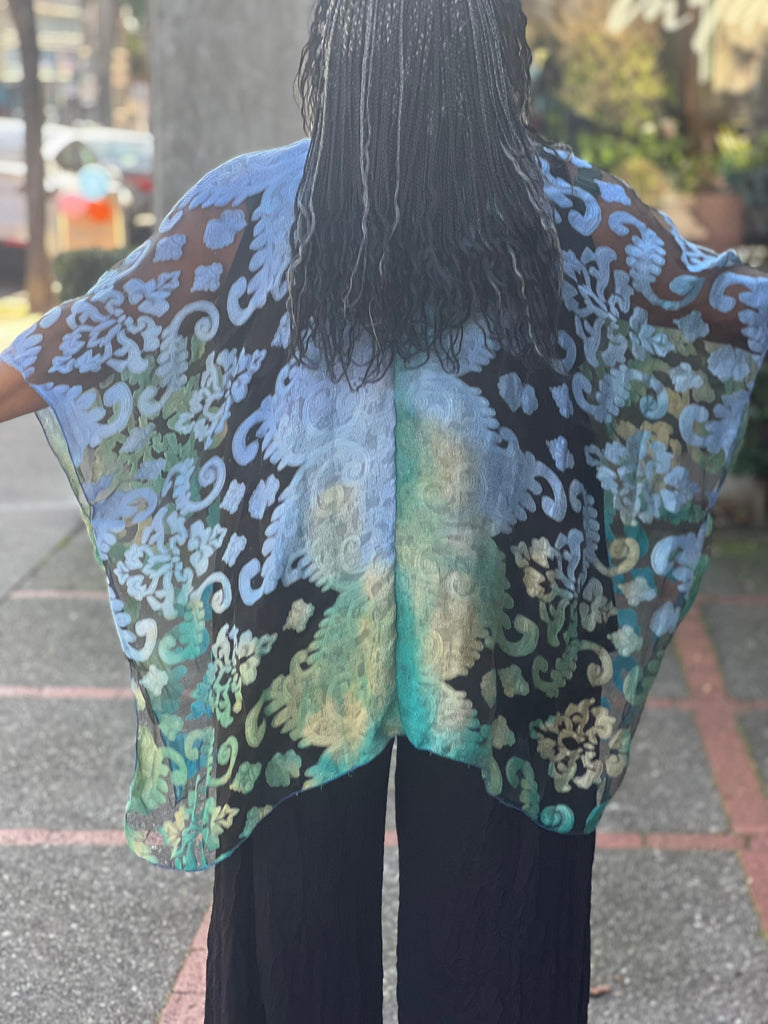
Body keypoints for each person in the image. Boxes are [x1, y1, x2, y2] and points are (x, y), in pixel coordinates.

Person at [1, 1, 767, 1021]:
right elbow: (718, 311)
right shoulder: (563, 210)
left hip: (291, 627)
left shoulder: (256, 203)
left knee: (290, 951)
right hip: (509, 632)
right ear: (494, 51)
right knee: (504, 938)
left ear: (342, 47)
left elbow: (81, 346)